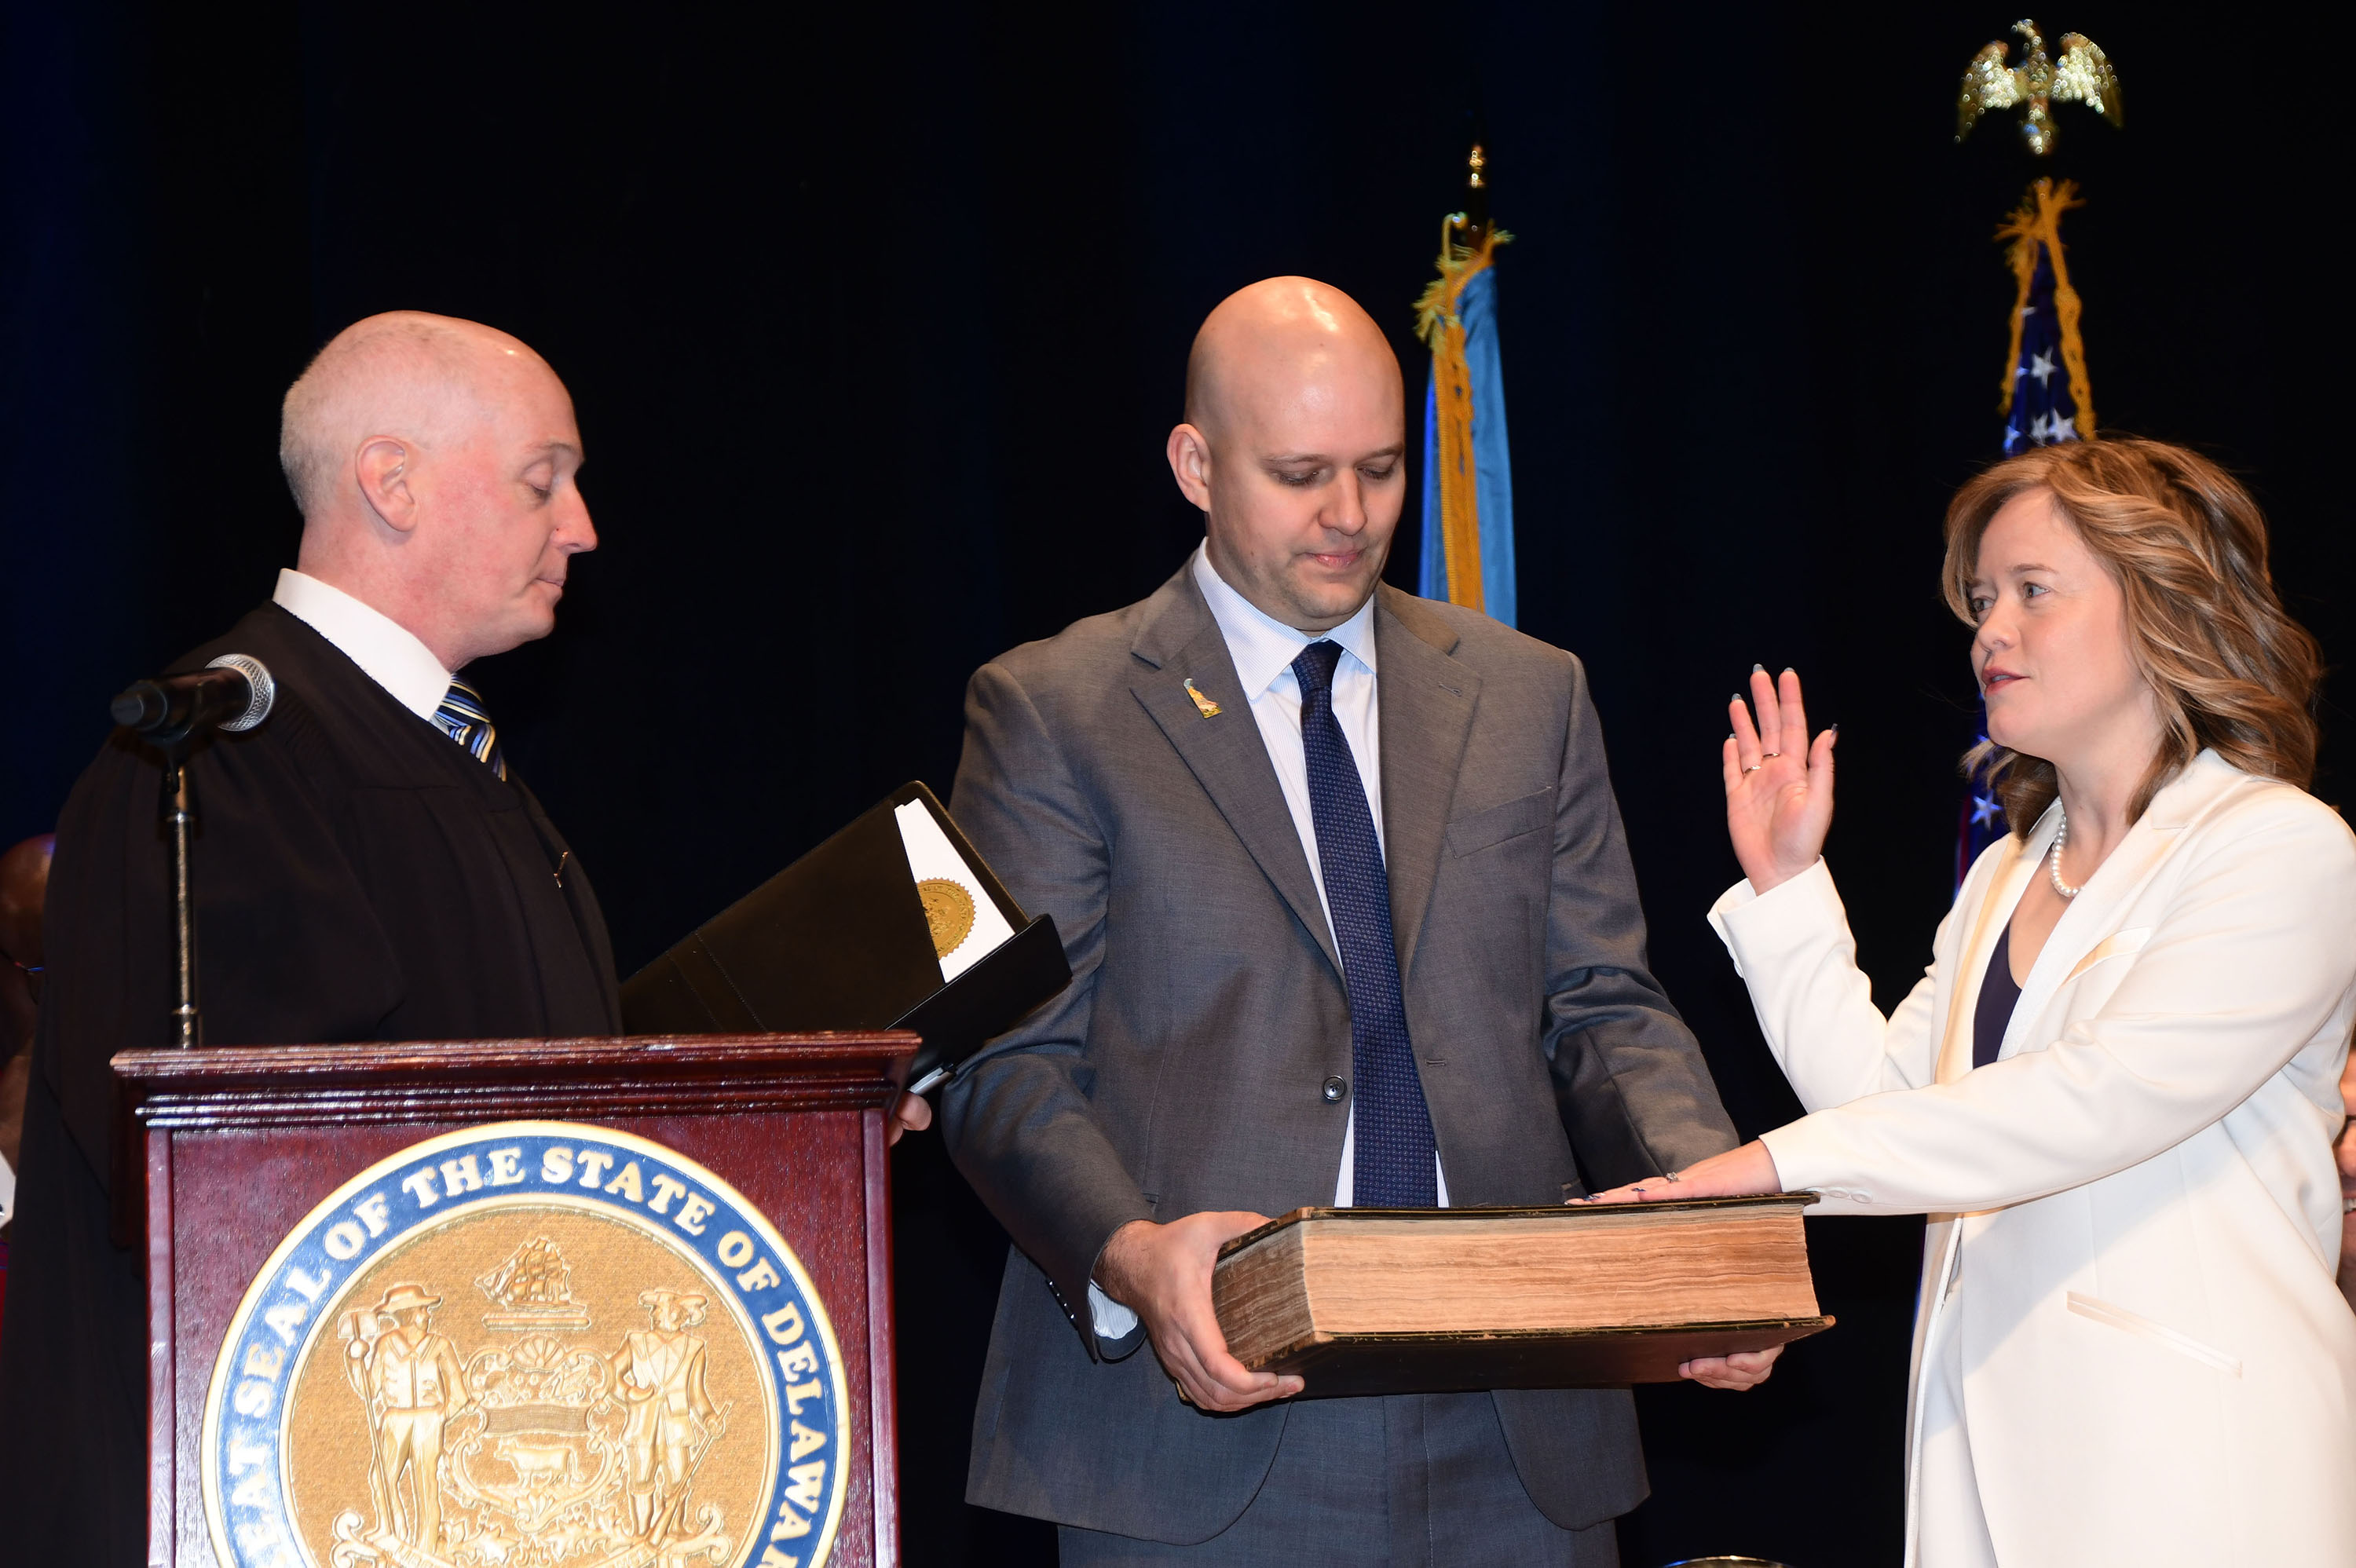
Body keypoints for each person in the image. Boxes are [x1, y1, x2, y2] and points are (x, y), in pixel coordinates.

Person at [938, 276, 1766, 1566]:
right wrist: (1133, 1253)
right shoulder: (1058, 708)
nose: (1348, 516)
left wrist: (1709, 1224)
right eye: (1300, 472)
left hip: (1519, 1428)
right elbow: (1010, 1062)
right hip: (1203, 1424)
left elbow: (1604, 1004)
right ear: (1195, 463)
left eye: (1380, 470)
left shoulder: (1527, 692)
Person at [1593, 437, 2356, 1565]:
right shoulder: (2009, 871)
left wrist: (1760, 1168)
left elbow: (2091, 1101)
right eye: (1984, 598)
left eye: (2032, 593)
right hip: (1984, 1469)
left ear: (2161, 609)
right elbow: (1893, 1106)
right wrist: (1788, 885)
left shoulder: (2281, 847)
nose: (1989, 631)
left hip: (2194, 1475)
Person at [0, 312, 621, 1565]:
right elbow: (259, 1184)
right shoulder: (208, 762)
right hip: (279, 1494)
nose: (582, 528)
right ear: (389, 482)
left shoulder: (451, 756)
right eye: (543, 480)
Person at [344, 1284, 470, 1551]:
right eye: (423, 1309)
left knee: (426, 1485)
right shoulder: (386, 1345)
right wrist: (355, 1360)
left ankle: (426, 1547)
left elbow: (460, 1394)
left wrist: (440, 1416)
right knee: (382, 1478)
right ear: (409, 1314)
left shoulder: (440, 1345)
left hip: (428, 1420)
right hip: (395, 1420)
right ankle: (393, 1532)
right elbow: (370, 1391)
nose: (428, 1314)